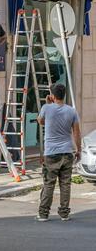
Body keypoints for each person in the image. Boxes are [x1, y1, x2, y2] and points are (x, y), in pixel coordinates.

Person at [36, 83, 81, 222]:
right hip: (67, 151)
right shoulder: (71, 111)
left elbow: (41, 121)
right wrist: (78, 149)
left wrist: (47, 103)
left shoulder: (46, 108)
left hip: (51, 153)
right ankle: (64, 213)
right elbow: (76, 132)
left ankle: (44, 213)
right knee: (65, 183)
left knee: (49, 183)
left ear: (53, 96)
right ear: (64, 95)